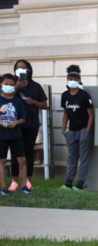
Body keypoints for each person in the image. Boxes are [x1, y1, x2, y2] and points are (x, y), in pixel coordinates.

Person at [9, 60, 48, 191]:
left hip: (31, 123)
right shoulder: (11, 84)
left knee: (28, 152)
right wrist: (17, 88)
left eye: (23, 67)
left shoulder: (36, 86)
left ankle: (27, 181)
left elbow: (44, 105)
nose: (20, 69)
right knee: (15, 153)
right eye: (18, 67)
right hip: (15, 123)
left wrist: (34, 102)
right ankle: (14, 181)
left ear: (29, 70)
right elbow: (5, 98)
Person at [60, 65, 94, 192]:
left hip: (84, 129)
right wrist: (64, 129)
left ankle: (80, 184)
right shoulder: (65, 95)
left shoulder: (85, 95)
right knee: (72, 157)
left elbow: (91, 115)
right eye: (70, 78)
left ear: (79, 80)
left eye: (75, 78)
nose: (72, 80)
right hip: (71, 130)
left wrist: (88, 130)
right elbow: (65, 113)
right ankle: (68, 183)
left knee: (83, 157)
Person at [0, 74, 31, 195]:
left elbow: (23, 118)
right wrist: (2, 123)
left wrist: (15, 123)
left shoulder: (17, 101)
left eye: (12, 85)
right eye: (6, 84)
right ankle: (3, 187)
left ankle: (24, 186)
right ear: (1, 84)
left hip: (16, 134)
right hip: (1, 134)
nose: (9, 86)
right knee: (2, 160)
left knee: (22, 160)